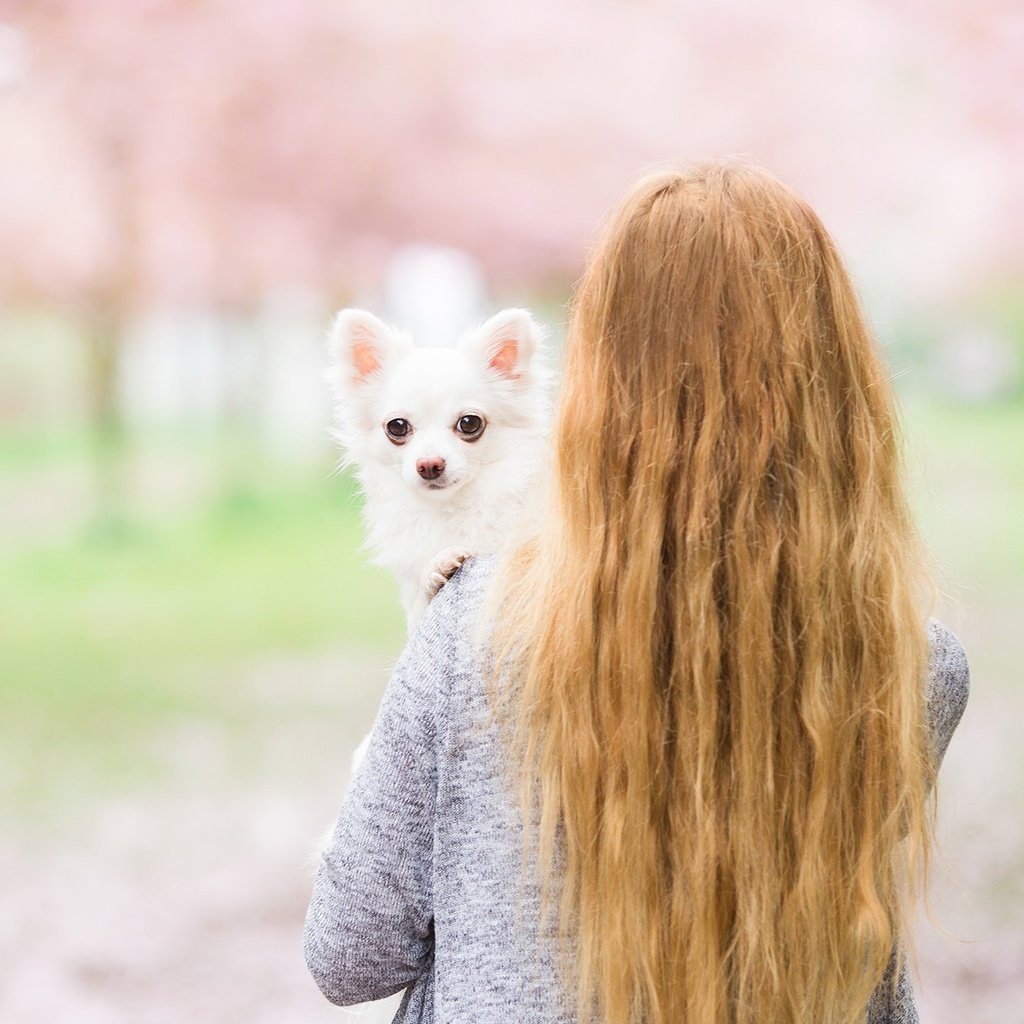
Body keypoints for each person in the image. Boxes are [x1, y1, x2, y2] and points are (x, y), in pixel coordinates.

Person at [303, 161, 969, 1024]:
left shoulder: (472, 626)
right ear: (841, 386)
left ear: (599, 384)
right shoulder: (914, 665)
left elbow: (351, 952)